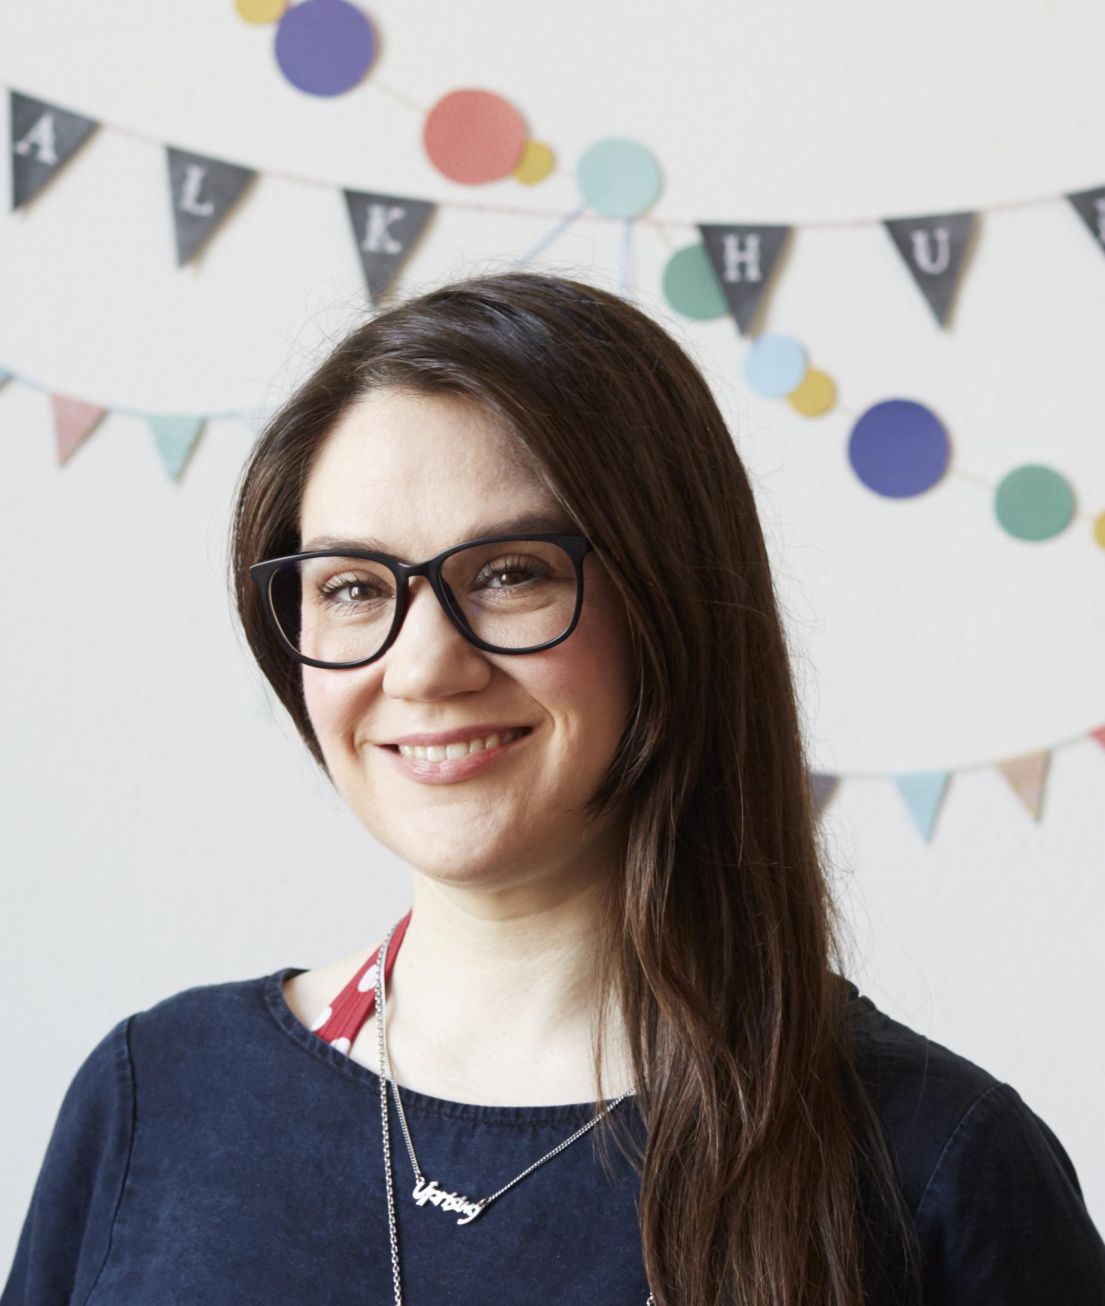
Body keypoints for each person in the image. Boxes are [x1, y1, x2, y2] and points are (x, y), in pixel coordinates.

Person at [4, 271, 1104, 1306]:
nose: (423, 665)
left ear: (670, 605)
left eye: (511, 572)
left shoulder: (935, 1164)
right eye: (349, 585)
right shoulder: (157, 1098)